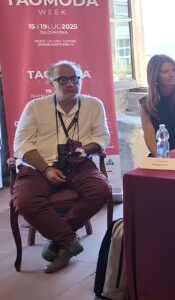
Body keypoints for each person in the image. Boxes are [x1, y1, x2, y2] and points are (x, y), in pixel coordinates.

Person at [12, 60, 110, 273]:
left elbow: (102, 138)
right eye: (63, 80)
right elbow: (21, 145)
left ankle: (59, 241)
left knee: (100, 190)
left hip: (78, 164)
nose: (71, 84)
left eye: (75, 78)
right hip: (39, 167)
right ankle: (68, 241)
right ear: (51, 83)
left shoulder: (94, 105)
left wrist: (84, 149)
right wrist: (46, 169)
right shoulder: (35, 107)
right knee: (25, 201)